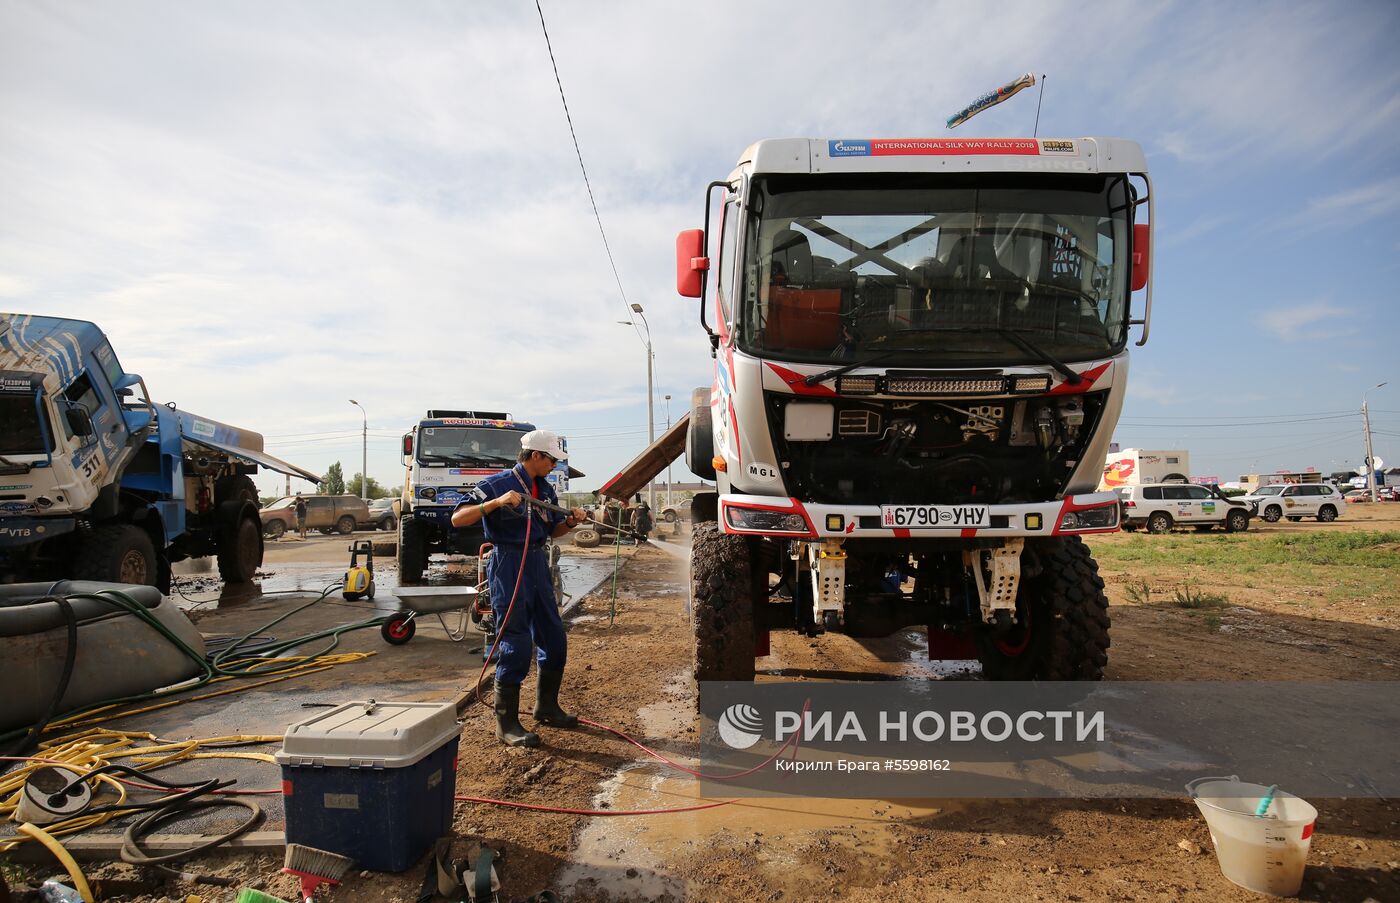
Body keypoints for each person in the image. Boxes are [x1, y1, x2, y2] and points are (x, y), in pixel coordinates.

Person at [451, 430, 588, 748]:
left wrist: (570, 522)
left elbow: (551, 530)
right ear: (536, 456)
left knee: (554, 637)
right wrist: (495, 503)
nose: (555, 465)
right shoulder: (496, 484)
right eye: (552, 459)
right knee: (516, 642)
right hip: (509, 564)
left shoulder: (546, 490)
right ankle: (507, 724)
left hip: (537, 562)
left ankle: (547, 707)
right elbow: (458, 518)